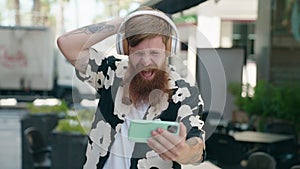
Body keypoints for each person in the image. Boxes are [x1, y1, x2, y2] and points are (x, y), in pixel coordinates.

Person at [57, 6, 205, 169]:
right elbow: (66, 44)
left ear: (168, 50)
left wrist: (184, 152)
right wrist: (123, 23)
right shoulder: (112, 73)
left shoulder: (185, 94)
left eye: (154, 53)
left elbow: (197, 146)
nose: (146, 62)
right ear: (126, 50)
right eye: (138, 54)